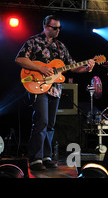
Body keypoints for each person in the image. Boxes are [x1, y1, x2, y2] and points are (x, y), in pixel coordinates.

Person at [15, 15, 95, 171]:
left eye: (60, 28)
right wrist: (40, 68)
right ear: (46, 26)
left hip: (55, 90)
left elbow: (72, 67)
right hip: (38, 86)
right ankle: (35, 159)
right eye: (55, 28)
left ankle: (46, 156)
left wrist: (87, 67)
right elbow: (19, 59)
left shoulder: (61, 46)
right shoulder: (34, 41)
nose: (58, 30)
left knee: (50, 124)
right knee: (41, 121)